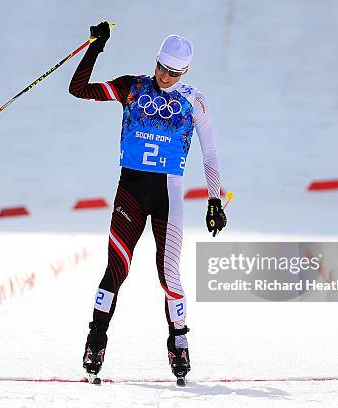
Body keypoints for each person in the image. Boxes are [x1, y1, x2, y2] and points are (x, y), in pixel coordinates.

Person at [69, 22, 227, 384]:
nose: (165, 77)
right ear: (155, 61)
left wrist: (215, 199)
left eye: (173, 73)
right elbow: (78, 89)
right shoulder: (132, 87)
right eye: (161, 68)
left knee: (169, 274)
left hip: (169, 193)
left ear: (184, 72)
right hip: (131, 189)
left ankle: (179, 343)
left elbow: (211, 152)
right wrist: (95, 47)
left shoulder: (194, 100)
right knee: (116, 268)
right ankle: (96, 338)